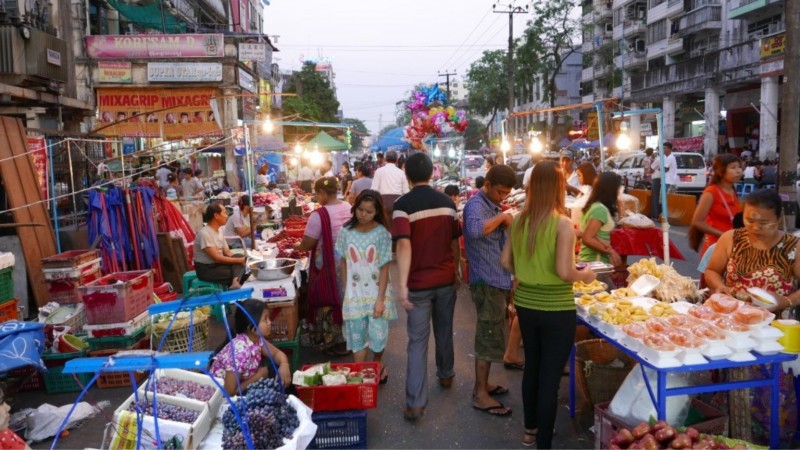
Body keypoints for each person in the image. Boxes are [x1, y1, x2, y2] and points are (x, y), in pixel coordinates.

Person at [500, 161, 596, 448]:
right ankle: (543, 441)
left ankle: (531, 431)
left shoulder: (518, 219)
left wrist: (525, 272)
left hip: (526, 306)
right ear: (557, 187)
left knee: (533, 369)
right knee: (550, 378)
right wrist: (587, 275)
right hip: (556, 310)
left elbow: (505, 261)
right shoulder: (562, 223)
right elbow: (566, 272)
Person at [704, 189, 799, 445]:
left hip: (773, 332)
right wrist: (719, 287)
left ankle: (768, 441)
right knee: (729, 387)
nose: (755, 227)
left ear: (779, 218)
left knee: (771, 394)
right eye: (749, 220)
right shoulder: (730, 238)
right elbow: (712, 271)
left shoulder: (793, 246)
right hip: (731, 328)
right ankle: (730, 439)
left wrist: (786, 300)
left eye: (764, 222)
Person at [392, 152, 461, 421]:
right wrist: (455, 271)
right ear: (432, 173)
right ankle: (446, 375)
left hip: (419, 285)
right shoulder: (447, 203)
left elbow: (404, 244)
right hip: (445, 279)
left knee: (417, 342)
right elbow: (455, 241)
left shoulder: (402, 205)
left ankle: (415, 403)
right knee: (444, 330)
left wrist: (402, 284)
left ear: (407, 176)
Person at [463, 164, 517, 417]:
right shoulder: (476, 205)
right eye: (499, 192)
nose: (502, 197)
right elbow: (474, 231)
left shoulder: (491, 206)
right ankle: (480, 394)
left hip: (498, 280)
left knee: (494, 333)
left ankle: (484, 385)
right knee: (487, 335)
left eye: (506, 193)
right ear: (486, 185)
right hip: (486, 282)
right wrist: (503, 218)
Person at [335, 190, 396, 384]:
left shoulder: (382, 234)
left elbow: (385, 267)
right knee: (356, 337)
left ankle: (377, 364)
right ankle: (361, 377)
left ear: (377, 212)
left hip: (377, 294)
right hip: (354, 295)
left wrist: (380, 300)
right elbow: (343, 263)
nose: (363, 214)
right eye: (360, 209)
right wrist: (346, 291)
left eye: (369, 211)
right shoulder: (346, 232)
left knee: (378, 337)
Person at [295, 177, 352, 355]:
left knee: (329, 299)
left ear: (321, 193)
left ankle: (334, 341)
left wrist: (298, 246)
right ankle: (350, 339)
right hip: (349, 262)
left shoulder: (319, 215)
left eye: (316, 193)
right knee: (347, 299)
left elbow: (308, 244)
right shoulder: (349, 207)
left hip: (328, 268)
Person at [210, 299, 291, 395]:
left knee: (278, 370)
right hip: (223, 396)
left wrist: (284, 364)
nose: (270, 322)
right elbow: (229, 392)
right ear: (251, 328)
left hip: (241, 383)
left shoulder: (256, 339)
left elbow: (276, 354)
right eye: (265, 319)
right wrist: (259, 376)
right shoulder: (240, 352)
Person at [691, 154, 743, 258]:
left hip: (733, 244)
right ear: (720, 172)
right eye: (733, 167)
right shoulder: (711, 192)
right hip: (715, 246)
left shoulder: (733, 191)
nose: (738, 171)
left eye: (739, 167)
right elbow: (697, 222)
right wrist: (723, 235)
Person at [194, 204, 247, 289]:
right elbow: (217, 258)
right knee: (240, 272)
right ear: (216, 215)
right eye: (225, 213)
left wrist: (241, 260)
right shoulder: (205, 233)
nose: (227, 216)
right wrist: (239, 261)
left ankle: (235, 281)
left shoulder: (219, 232)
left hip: (218, 265)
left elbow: (227, 252)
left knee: (240, 258)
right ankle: (235, 282)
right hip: (207, 269)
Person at [579, 172, 622, 266]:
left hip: (593, 262)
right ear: (611, 189)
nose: (619, 192)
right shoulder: (600, 209)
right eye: (618, 188)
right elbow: (588, 238)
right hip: (595, 262)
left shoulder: (594, 206)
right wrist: (610, 252)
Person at [371, 150, 409, 219]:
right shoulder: (401, 173)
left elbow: (374, 190)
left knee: (384, 226)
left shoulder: (378, 171)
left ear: (385, 159)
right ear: (396, 160)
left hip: (382, 203)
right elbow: (406, 192)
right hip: (398, 204)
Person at [650, 142, 677, 219]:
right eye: (663, 148)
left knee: (663, 200)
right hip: (666, 181)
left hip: (668, 182)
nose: (663, 150)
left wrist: (660, 168)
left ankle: (663, 217)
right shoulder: (667, 157)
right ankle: (662, 216)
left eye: (665, 148)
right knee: (662, 200)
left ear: (669, 149)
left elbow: (664, 169)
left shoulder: (670, 158)